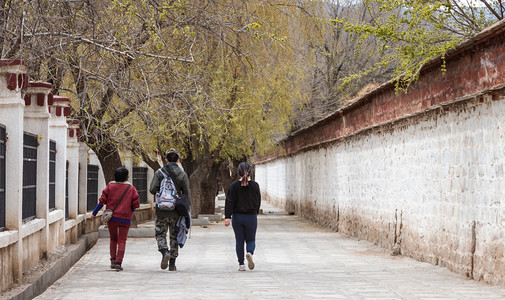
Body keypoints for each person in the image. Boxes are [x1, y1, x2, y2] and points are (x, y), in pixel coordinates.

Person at [91, 167, 140, 271]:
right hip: (125, 218)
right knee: (122, 240)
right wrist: (130, 209)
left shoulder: (110, 186)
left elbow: (102, 201)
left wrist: (94, 213)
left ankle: (113, 260)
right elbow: (136, 204)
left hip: (112, 218)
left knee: (113, 239)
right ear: (127, 176)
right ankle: (118, 263)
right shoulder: (131, 188)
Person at [149, 148, 191, 271]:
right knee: (175, 235)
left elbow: (152, 189)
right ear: (178, 160)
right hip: (176, 211)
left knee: (160, 233)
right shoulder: (182, 174)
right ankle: (172, 263)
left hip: (161, 210)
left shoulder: (159, 173)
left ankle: (164, 252)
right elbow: (187, 193)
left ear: (166, 159)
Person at [224, 162, 261, 271]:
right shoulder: (255, 185)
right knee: (251, 239)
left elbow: (229, 202)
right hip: (251, 217)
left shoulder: (234, 186)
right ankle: (249, 252)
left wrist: (227, 217)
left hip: (237, 217)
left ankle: (241, 264)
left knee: (239, 240)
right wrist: (255, 212)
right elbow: (258, 201)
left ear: (238, 172)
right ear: (250, 172)